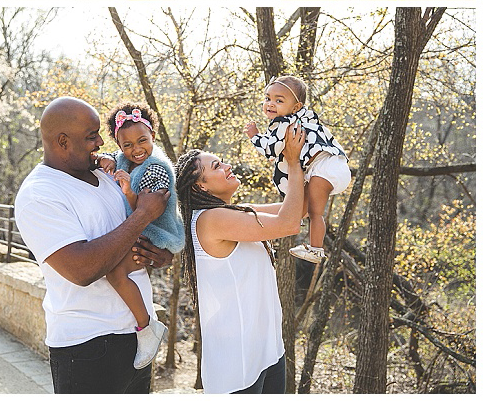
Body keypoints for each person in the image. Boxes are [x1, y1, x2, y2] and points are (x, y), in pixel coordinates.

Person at [14, 97, 172, 394]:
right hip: (87, 348)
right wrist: (143, 215)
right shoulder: (40, 195)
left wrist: (159, 254)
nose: (101, 141)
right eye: (91, 136)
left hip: (138, 337)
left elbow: (129, 236)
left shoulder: (105, 173)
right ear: (62, 142)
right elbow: (83, 269)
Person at [174, 124, 305, 394]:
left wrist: (310, 161)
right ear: (201, 185)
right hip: (236, 364)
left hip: (268, 351)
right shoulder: (211, 220)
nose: (227, 166)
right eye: (217, 166)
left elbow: (300, 209)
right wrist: (292, 163)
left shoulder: (233, 212)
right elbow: (290, 223)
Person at [95, 104, 184, 369]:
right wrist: (104, 160)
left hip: (156, 233)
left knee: (115, 273)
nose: (136, 149)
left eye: (142, 141)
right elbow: (109, 156)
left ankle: (147, 327)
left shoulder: (154, 169)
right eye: (127, 145)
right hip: (140, 228)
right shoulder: (125, 159)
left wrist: (128, 193)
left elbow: (146, 213)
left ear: (153, 136)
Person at [245, 75, 350, 263]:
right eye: (268, 98)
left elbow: (270, 149)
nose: (270, 104)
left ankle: (316, 249)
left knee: (315, 212)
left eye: (279, 100)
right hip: (334, 165)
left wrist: (254, 136)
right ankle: (253, 213)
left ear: (295, 107)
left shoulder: (283, 123)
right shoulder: (303, 116)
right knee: (304, 210)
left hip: (323, 168)